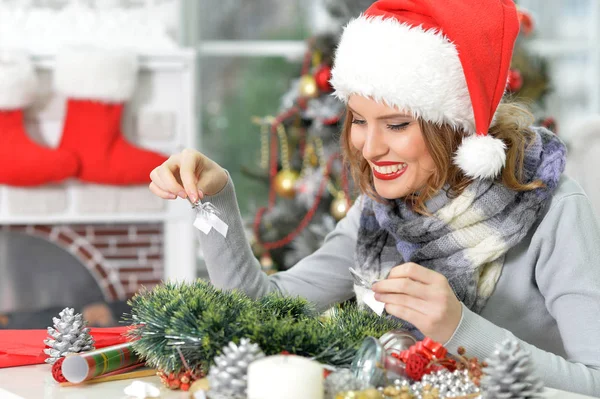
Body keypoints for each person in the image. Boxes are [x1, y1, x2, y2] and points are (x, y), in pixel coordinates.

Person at [149, 0, 600, 395]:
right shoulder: (382, 212)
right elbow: (261, 314)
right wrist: (216, 198)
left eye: (397, 125)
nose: (368, 146)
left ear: (458, 124)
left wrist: (459, 330)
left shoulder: (552, 207)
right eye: (359, 120)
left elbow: (594, 381)